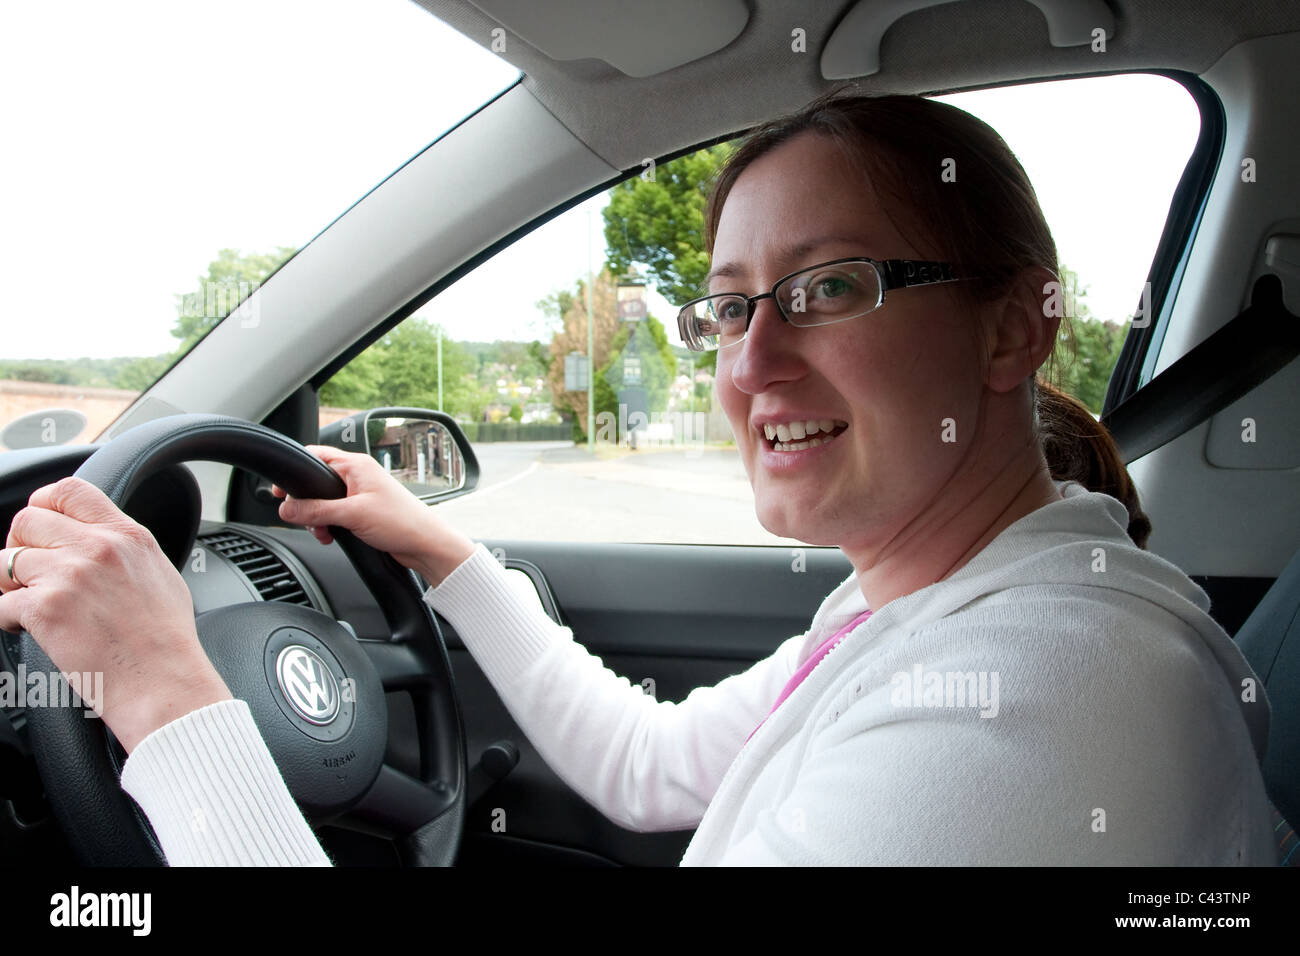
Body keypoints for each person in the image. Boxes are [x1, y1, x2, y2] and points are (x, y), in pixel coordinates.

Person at [0, 90, 1275, 865]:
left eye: (830, 287)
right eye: (727, 309)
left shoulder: (1040, 700)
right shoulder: (932, 606)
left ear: (1011, 328)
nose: (754, 362)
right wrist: (440, 552)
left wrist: (170, 693)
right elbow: (647, 760)